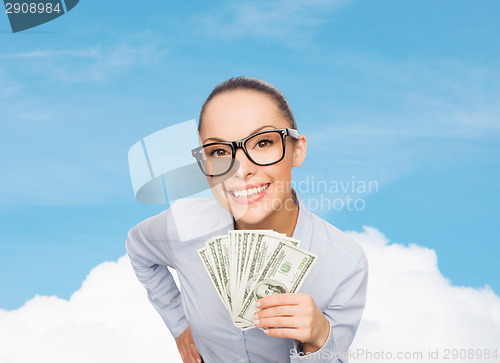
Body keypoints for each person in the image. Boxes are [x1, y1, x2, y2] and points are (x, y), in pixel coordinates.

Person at [126, 76, 368, 363]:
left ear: (298, 150)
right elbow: (138, 248)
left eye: (263, 143)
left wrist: (318, 339)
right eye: (218, 151)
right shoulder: (182, 226)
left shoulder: (345, 262)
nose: (242, 170)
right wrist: (179, 324)